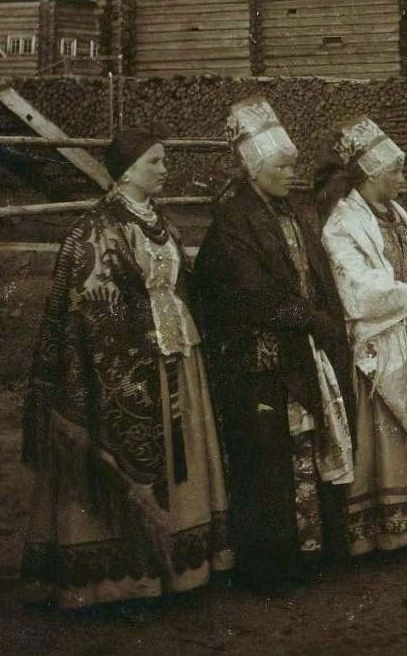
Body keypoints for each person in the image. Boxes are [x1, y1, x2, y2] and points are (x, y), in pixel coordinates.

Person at [21, 126, 232, 608]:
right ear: (126, 170)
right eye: (154, 161)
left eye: (164, 160)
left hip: (178, 356)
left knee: (184, 452)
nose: (164, 169)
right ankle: (121, 580)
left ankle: (180, 565)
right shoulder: (97, 229)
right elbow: (90, 308)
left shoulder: (163, 222)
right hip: (125, 367)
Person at [194, 98, 354, 591]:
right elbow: (250, 293)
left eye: (292, 165)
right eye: (281, 166)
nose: (291, 174)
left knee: (304, 448)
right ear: (254, 168)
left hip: (299, 352)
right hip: (258, 360)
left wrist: (320, 319)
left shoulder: (290, 213)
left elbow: (313, 274)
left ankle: (311, 550)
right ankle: (272, 565)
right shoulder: (234, 221)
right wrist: (311, 319)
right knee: (266, 459)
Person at [321, 115, 407, 555]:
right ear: (372, 175)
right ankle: (385, 528)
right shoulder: (342, 224)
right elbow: (358, 289)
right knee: (385, 433)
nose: (403, 179)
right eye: (396, 171)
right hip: (380, 345)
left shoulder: (402, 218)